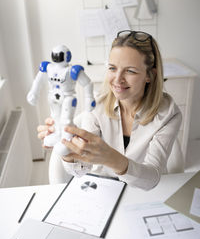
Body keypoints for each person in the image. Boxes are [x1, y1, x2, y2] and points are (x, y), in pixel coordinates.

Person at [38, 30, 183, 190]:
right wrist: (66, 145)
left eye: (130, 71)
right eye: (112, 68)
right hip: (103, 189)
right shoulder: (96, 105)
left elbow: (152, 178)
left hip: (142, 192)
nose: (117, 79)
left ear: (150, 75)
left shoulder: (168, 113)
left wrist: (112, 159)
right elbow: (81, 170)